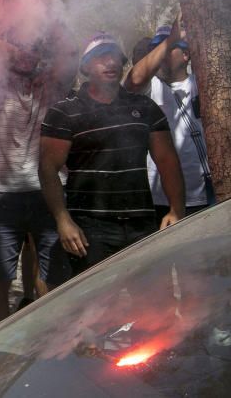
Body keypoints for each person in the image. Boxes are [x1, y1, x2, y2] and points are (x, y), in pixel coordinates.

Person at [39, 33, 185, 279]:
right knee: (96, 311)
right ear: (86, 66)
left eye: (115, 57)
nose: (111, 63)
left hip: (142, 225)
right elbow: (47, 168)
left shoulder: (145, 108)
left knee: (151, 304)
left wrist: (176, 209)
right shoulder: (65, 111)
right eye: (101, 57)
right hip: (90, 229)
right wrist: (62, 219)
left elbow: (167, 161)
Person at [0, 37, 75, 322]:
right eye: (19, 45)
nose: (25, 53)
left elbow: (70, 51)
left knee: (50, 276)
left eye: (32, 47)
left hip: (46, 190)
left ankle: (44, 342)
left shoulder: (53, 82)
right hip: (1, 191)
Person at [124, 19, 213, 222]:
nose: (161, 56)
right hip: (169, 202)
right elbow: (134, 79)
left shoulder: (203, 81)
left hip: (213, 192)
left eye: (168, 49)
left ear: (186, 55)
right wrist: (170, 41)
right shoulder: (151, 88)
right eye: (156, 50)